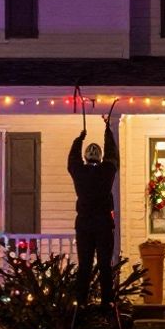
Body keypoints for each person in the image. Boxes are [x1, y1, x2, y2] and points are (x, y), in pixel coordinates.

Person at [68, 120, 119, 307]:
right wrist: (108, 132)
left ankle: (81, 301)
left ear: (86, 156)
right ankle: (107, 301)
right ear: (100, 157)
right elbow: (112, 155)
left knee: (85, 265)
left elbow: (72, 160)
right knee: (105, 264)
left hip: (84, 225)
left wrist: (79, 139)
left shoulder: (79, 172)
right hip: (104, 224)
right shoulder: (107, 171)